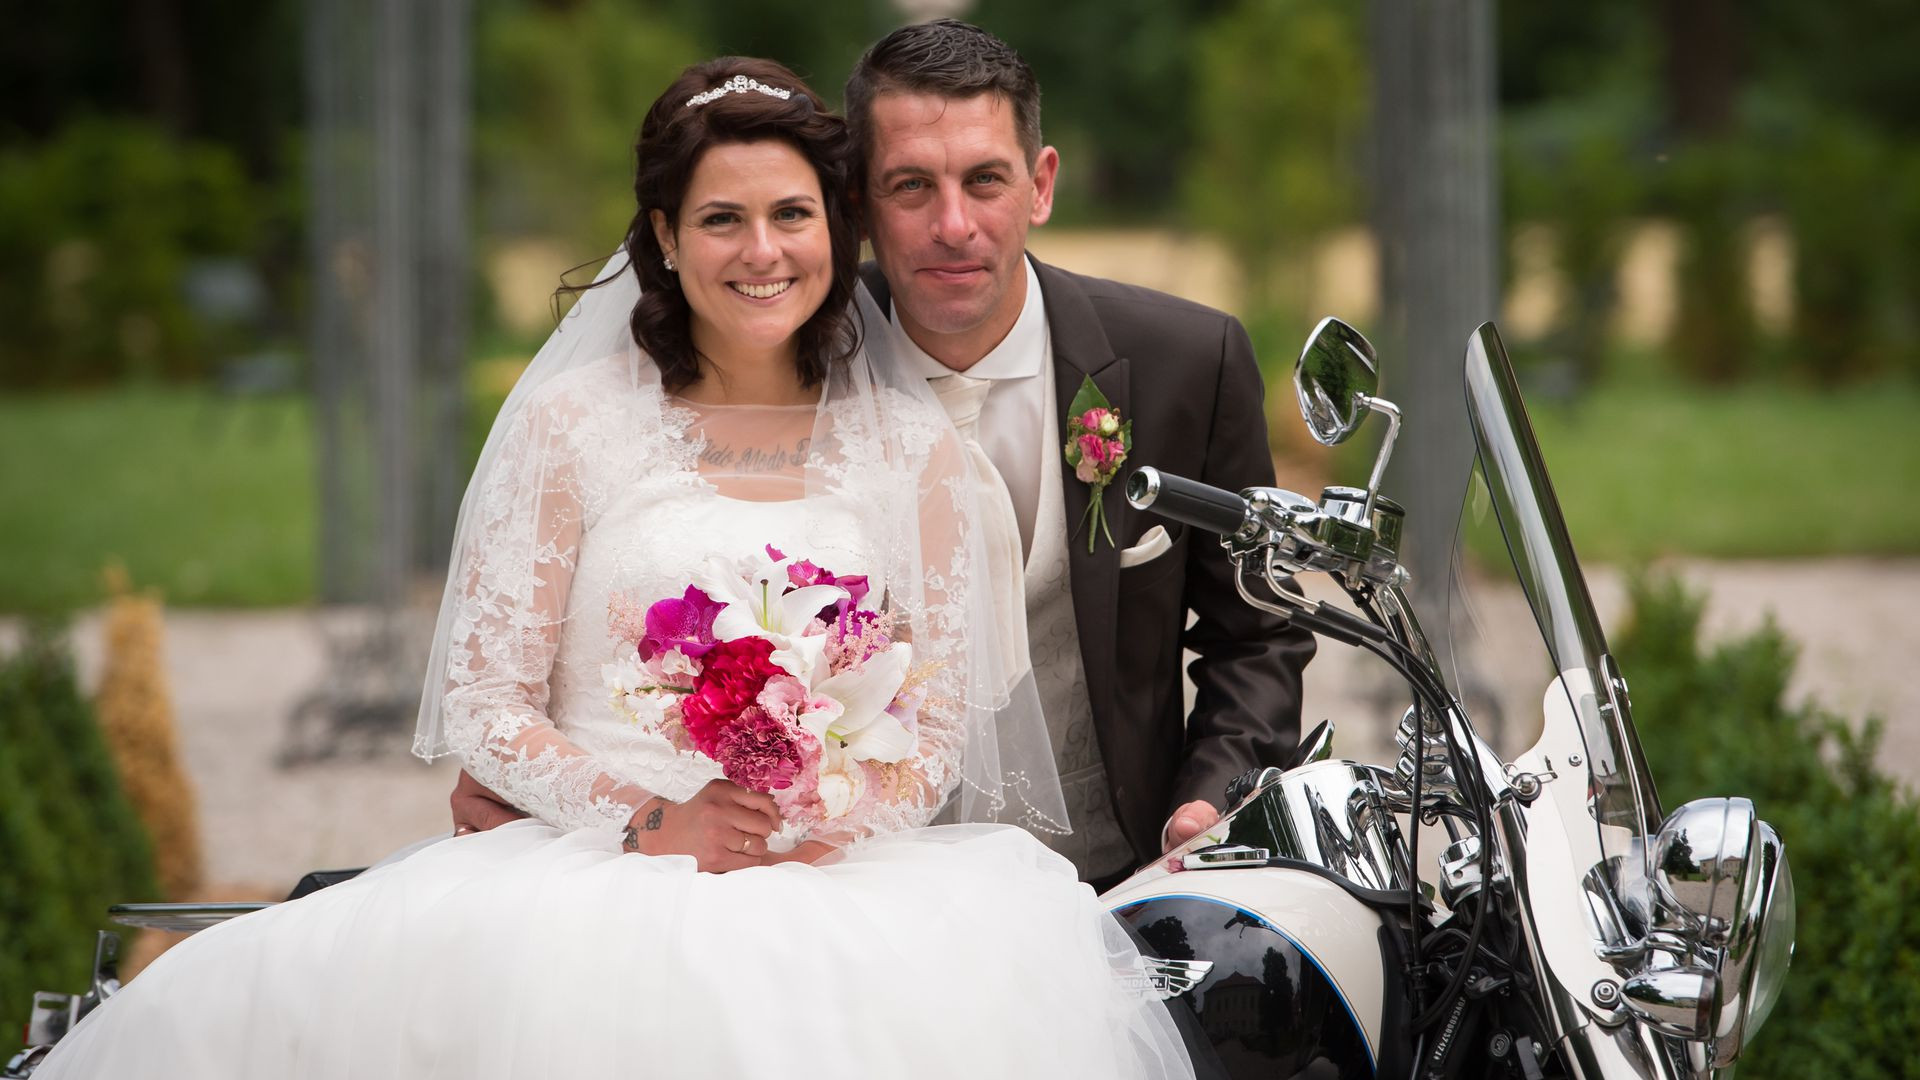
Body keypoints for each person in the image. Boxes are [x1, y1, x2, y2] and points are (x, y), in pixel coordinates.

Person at [33, 58, 1194, 1079]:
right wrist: (650, 820)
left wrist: (817, 809)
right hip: (594, 872)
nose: (761, 251)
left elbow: (935, 736)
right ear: (664, 235)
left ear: (835, 231)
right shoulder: (573, 429)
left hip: (835, 877)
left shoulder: (916, 456)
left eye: (792, 214)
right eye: (721, 218)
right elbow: (488, 706)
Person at [452, 19, 1317, 892]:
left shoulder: (1185, 363)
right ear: (860, 204)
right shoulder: (772, 325)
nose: (953, 225)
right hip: (829, 884)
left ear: (1040, 183)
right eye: (911, 187)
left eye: (985, 180)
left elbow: (1256, 636)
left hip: (1107, 860)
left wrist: (1210, 803)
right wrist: (586, 798)